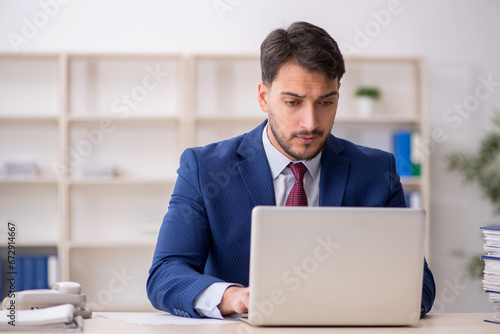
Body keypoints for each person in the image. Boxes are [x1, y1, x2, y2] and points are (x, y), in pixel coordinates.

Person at [147, 21, 436, 319]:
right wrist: (234, 297)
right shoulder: (205, 169)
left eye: (325, 102)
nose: (310, 123)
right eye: (293, 102)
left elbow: (420, 284)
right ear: (263, 97)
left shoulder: (377, 172)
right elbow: (166, 274)